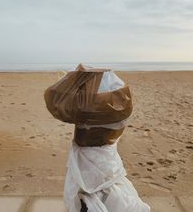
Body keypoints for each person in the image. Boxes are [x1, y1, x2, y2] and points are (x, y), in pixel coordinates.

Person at [44, 63, 150, 212]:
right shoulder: (116, 97)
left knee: (92, 182)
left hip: (89, 152)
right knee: (104, 181)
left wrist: (79, 77)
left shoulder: (89, 104)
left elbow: (55, 100)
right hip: (106, 154)